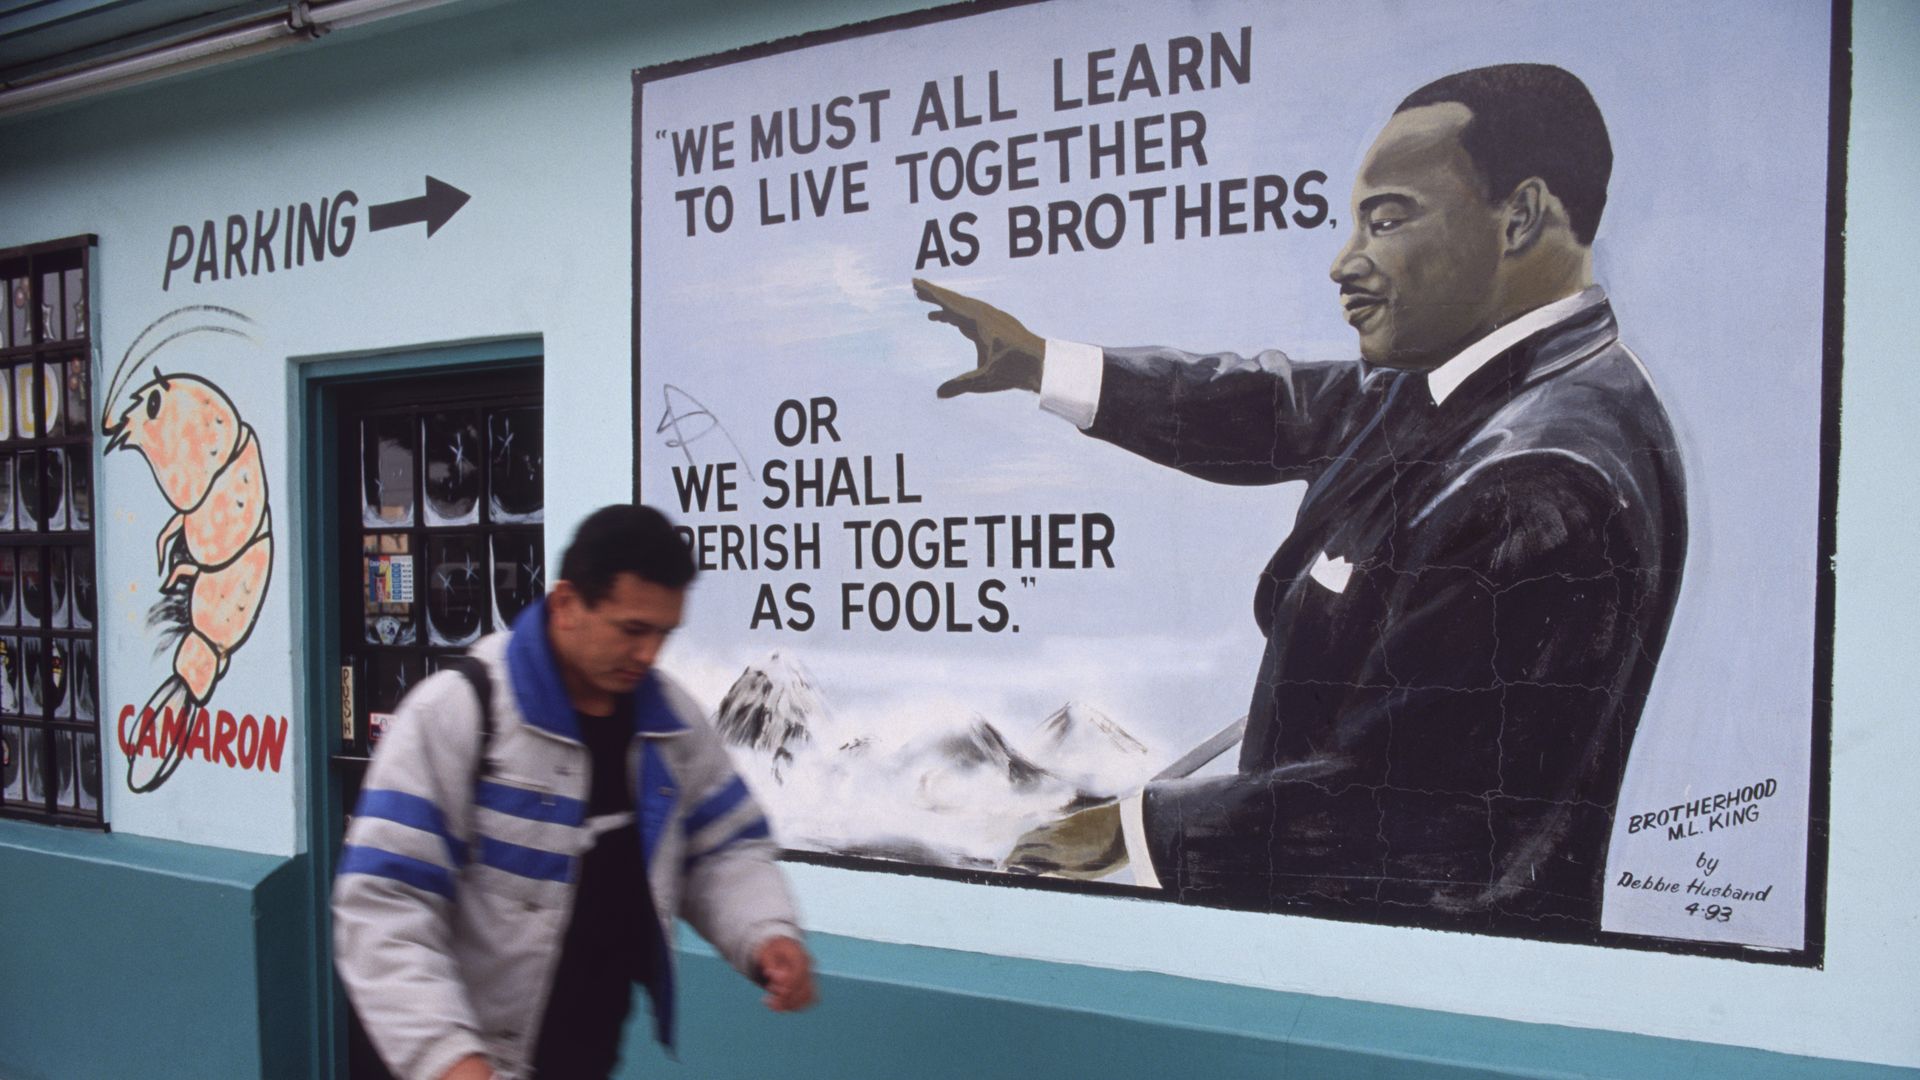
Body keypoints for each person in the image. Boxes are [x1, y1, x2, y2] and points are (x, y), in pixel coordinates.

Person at [915, 64, 1687, 933]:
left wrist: (1137, 830)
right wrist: (1041, 364)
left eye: (1386, 219)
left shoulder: (1543, 481)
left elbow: (1397, 807)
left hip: (1414, 971)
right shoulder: (1465, 388)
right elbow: (1272, 406)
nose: (1344, 263)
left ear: (1520, 217)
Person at [334, 504, 815, 1080]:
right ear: (566, 604)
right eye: (632, 629)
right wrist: (447, 1057)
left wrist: (766, 933)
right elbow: (385, 902)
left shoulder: (670, 726)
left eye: (663, 633)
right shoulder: (457, 712)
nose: (649, 654)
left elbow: (721, 848)